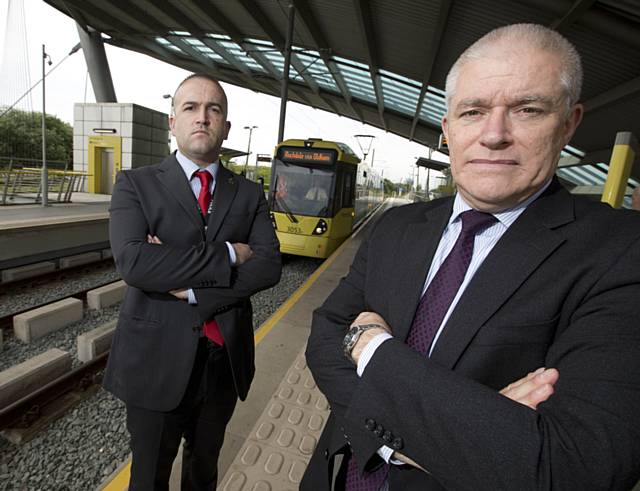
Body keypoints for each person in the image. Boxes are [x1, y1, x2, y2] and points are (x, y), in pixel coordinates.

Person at [302, 24, 640, 490]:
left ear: (568, 124)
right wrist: (462, 431)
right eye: (473, 111)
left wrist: (371, 347)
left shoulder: (621, 252)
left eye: (526, 110)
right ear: (448, 131)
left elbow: (570, 465)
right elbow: (324, 335)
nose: (493, 134)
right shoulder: (398, 227)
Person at [104, 73, 281, 490]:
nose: (202, 117)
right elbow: (135, 263)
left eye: (214, 109)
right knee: (148, 479)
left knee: (203, 474)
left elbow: (270, 265)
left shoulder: (249, 193)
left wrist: (195, 288)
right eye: (190, 107)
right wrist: (228, 254)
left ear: (226, 127)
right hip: (154, 362)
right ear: (173, 122)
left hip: (222, 365)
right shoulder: (135, 184)